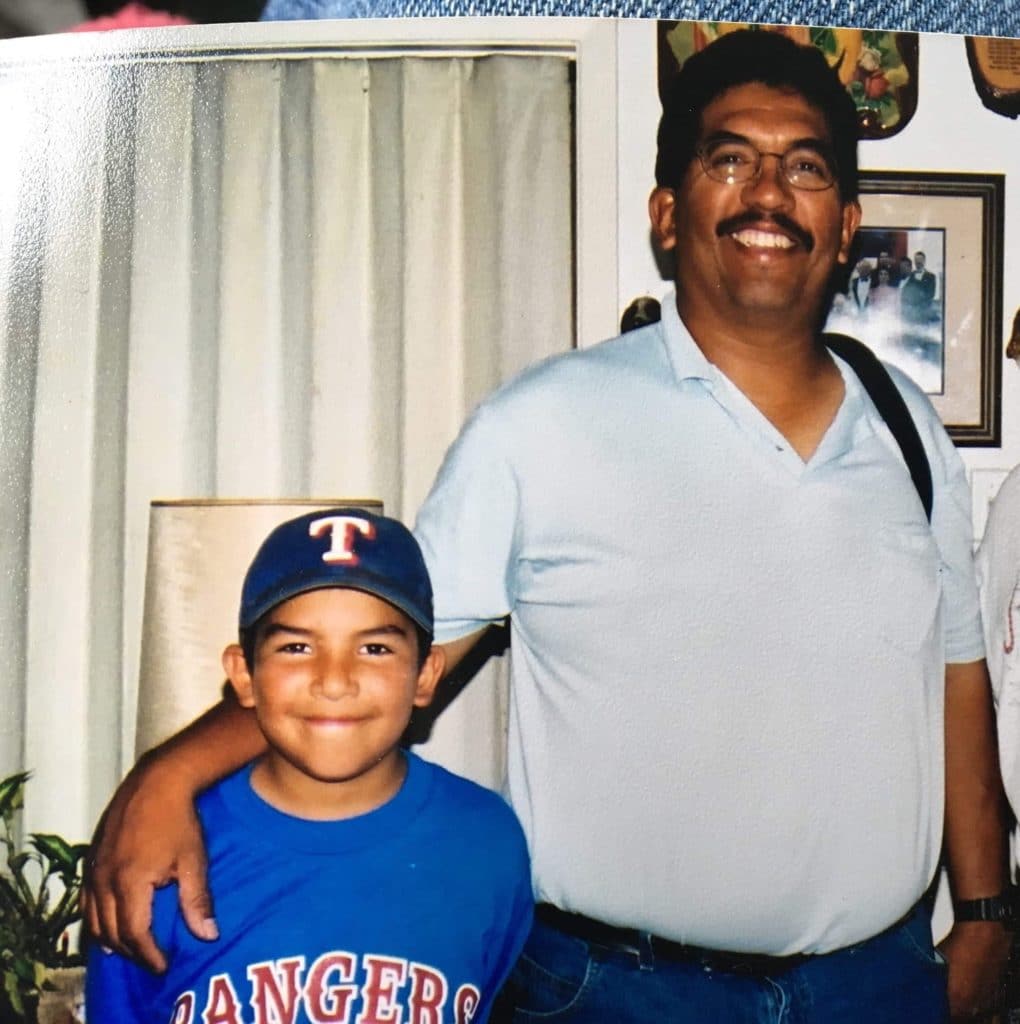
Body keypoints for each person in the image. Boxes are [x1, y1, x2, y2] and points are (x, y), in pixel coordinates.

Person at [85, 30, 1009, 1022]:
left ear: (846, 224)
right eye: (729, 159)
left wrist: (991, 909)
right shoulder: (542, 424)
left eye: (806, 168)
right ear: (668, 213)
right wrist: (166, 772)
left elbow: (956, 675)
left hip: (875, 986)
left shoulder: (906, 425)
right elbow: (382, 649)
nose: (768, 193)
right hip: (618, 994)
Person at [85, 508, 533, 1024]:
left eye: (374, 647)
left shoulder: (486, 841)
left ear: (427, 674)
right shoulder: (158, 856)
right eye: (297, 647)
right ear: (244, 675)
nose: (335, 681)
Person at [900, 250, 938, 323]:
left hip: (923, 313)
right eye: (916, 260)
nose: (918, 262)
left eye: (920, 259)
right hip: (911, 314)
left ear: (924, 261)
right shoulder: (911, 275)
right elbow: (905, 292)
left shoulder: (931, 276)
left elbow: (931, 294)